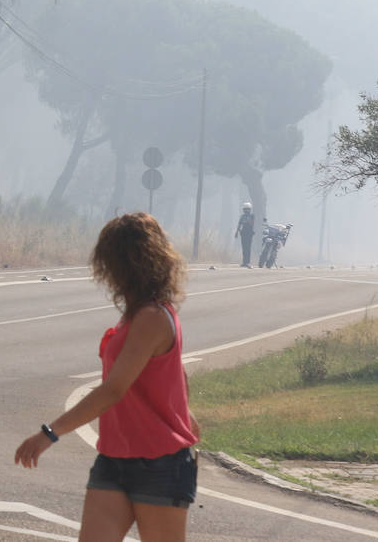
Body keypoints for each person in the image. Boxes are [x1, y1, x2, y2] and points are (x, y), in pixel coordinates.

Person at [14, 212, 200, 542]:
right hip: (114, 459)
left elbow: (113, 390)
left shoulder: (152, 317)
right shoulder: (137, 316)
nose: (106, 273)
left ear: (124, 264)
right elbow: (175, 375)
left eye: (109, 262)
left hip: (159, 464)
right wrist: (185, 416)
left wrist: (49, 433)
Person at [234, 203, 255, 268]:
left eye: (247, 209)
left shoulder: (252, 216)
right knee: (244, 248)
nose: (246, 211)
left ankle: (248, 262)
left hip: (249, 233)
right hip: (243, 233)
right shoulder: (242, 216)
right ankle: (244, 262)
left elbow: (252, 224)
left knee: (248, 248)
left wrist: (248, 220)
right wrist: (237, 232)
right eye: (245, 209)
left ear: (250, 209)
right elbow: (239, 224)